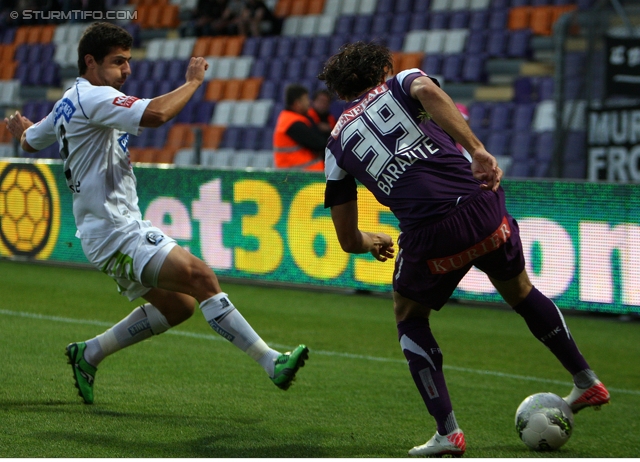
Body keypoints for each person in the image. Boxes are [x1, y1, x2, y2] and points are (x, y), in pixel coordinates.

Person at [318, 41, 609, 457]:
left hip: (430, 234)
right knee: (521, 292)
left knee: (409, 316)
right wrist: (477, 150)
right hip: (482, 206)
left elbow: (348, 240)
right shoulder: (401, 81)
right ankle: (586, 380)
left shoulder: (335, 145)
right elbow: (429, 92)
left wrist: (373, 239)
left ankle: (447, 433)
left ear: (341, 92)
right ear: (383, 68)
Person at [4, 22, 309, 405]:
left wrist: (22, 129)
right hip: (115, 232)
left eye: (129, 61)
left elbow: (31, 142)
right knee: (202, 276)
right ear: (90, 62)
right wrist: (194, 82)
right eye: (118, 62)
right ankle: (272, 362)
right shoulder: (94, 98)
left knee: (178, 306)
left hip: (107, 231)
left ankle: (90, 353)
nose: (127, 70)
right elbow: (157, 114)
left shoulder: (68, 101)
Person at [273, 84, 327, 171]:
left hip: (301, 175)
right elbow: (319, 144)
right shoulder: (292, 123)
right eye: (305, 99)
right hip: (299, 178)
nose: (308, 102)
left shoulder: (292, 119)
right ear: (297, 103)